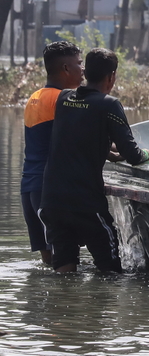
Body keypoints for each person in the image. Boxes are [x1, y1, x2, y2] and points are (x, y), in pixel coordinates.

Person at [40, 48, 149, 273]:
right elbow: (131, 154)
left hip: (52, 201)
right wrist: (148, 154)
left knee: (64, 271)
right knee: (110, 270)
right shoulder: (109, 105)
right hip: (85, 202)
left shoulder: (64, 99)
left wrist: (104, 149)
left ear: (85, 72)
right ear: (111, 76)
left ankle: (61, 307)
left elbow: (77, 136)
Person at [21, 40, 83, 266]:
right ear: (66, 69)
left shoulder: (34, 97)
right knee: (66, 265)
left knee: (50, 264)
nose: (83, 69)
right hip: (50, 190)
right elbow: (81, 141)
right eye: (79, 63)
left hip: (29, 188)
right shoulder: (65, 99)